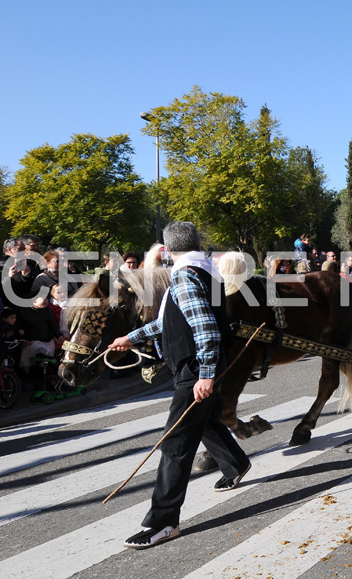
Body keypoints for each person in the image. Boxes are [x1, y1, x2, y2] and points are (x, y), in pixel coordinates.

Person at [108, 221, 251, 550]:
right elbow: (168, 319)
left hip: (194, 367)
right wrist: (131, 338)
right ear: (197, 243)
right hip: (203, 365)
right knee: (204, 422)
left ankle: (163, 522)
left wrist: (205, 374)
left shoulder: (185, 274)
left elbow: (206, 331)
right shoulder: (206, 271)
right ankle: (236, 463)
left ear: (168, 250)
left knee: (175, 443)